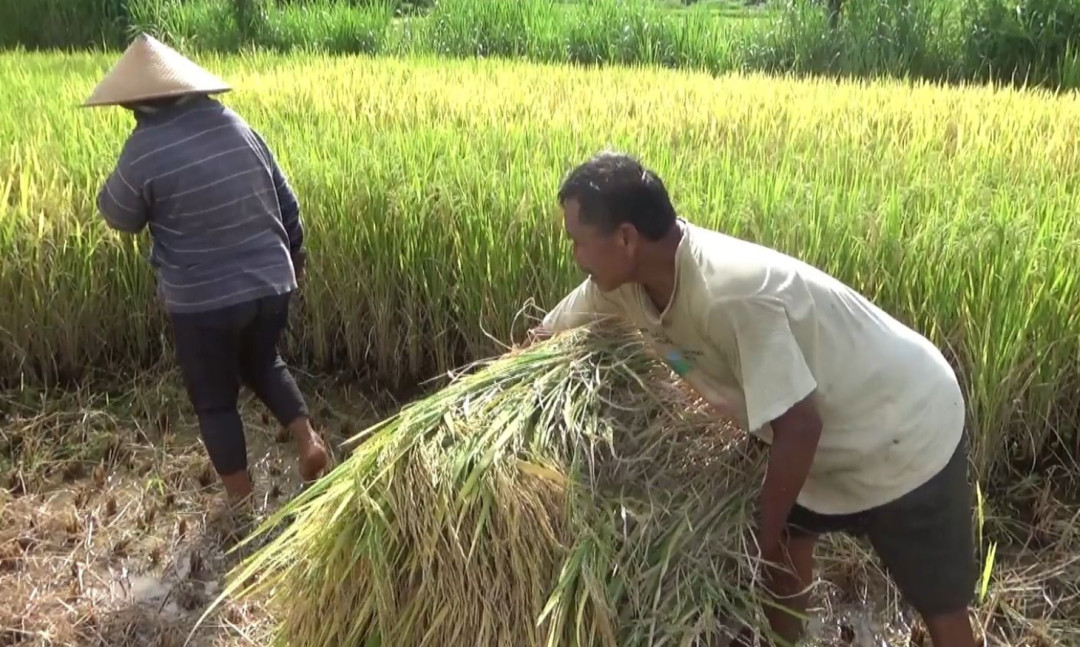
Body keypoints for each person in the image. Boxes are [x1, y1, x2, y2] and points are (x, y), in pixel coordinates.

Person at [529, 151, 978, 646]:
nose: (576, 257)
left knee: (939, 607)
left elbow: (800, 428)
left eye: (577, 242)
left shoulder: (729, 293)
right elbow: (545, 339)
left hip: (903, 423)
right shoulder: (621, 285)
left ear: (626, 238)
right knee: (785, 559)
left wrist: (757, 544)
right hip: (819, 431)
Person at [85, 33, 330, 503]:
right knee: (263, 360)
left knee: (215, 400)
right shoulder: (236, 124)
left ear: (141, 103)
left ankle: (239, 505)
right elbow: (287, 201)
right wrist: (294, 259)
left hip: (204, 299)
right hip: (270, 282)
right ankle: (308, 442)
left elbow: (119, 217)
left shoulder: (145, 147)